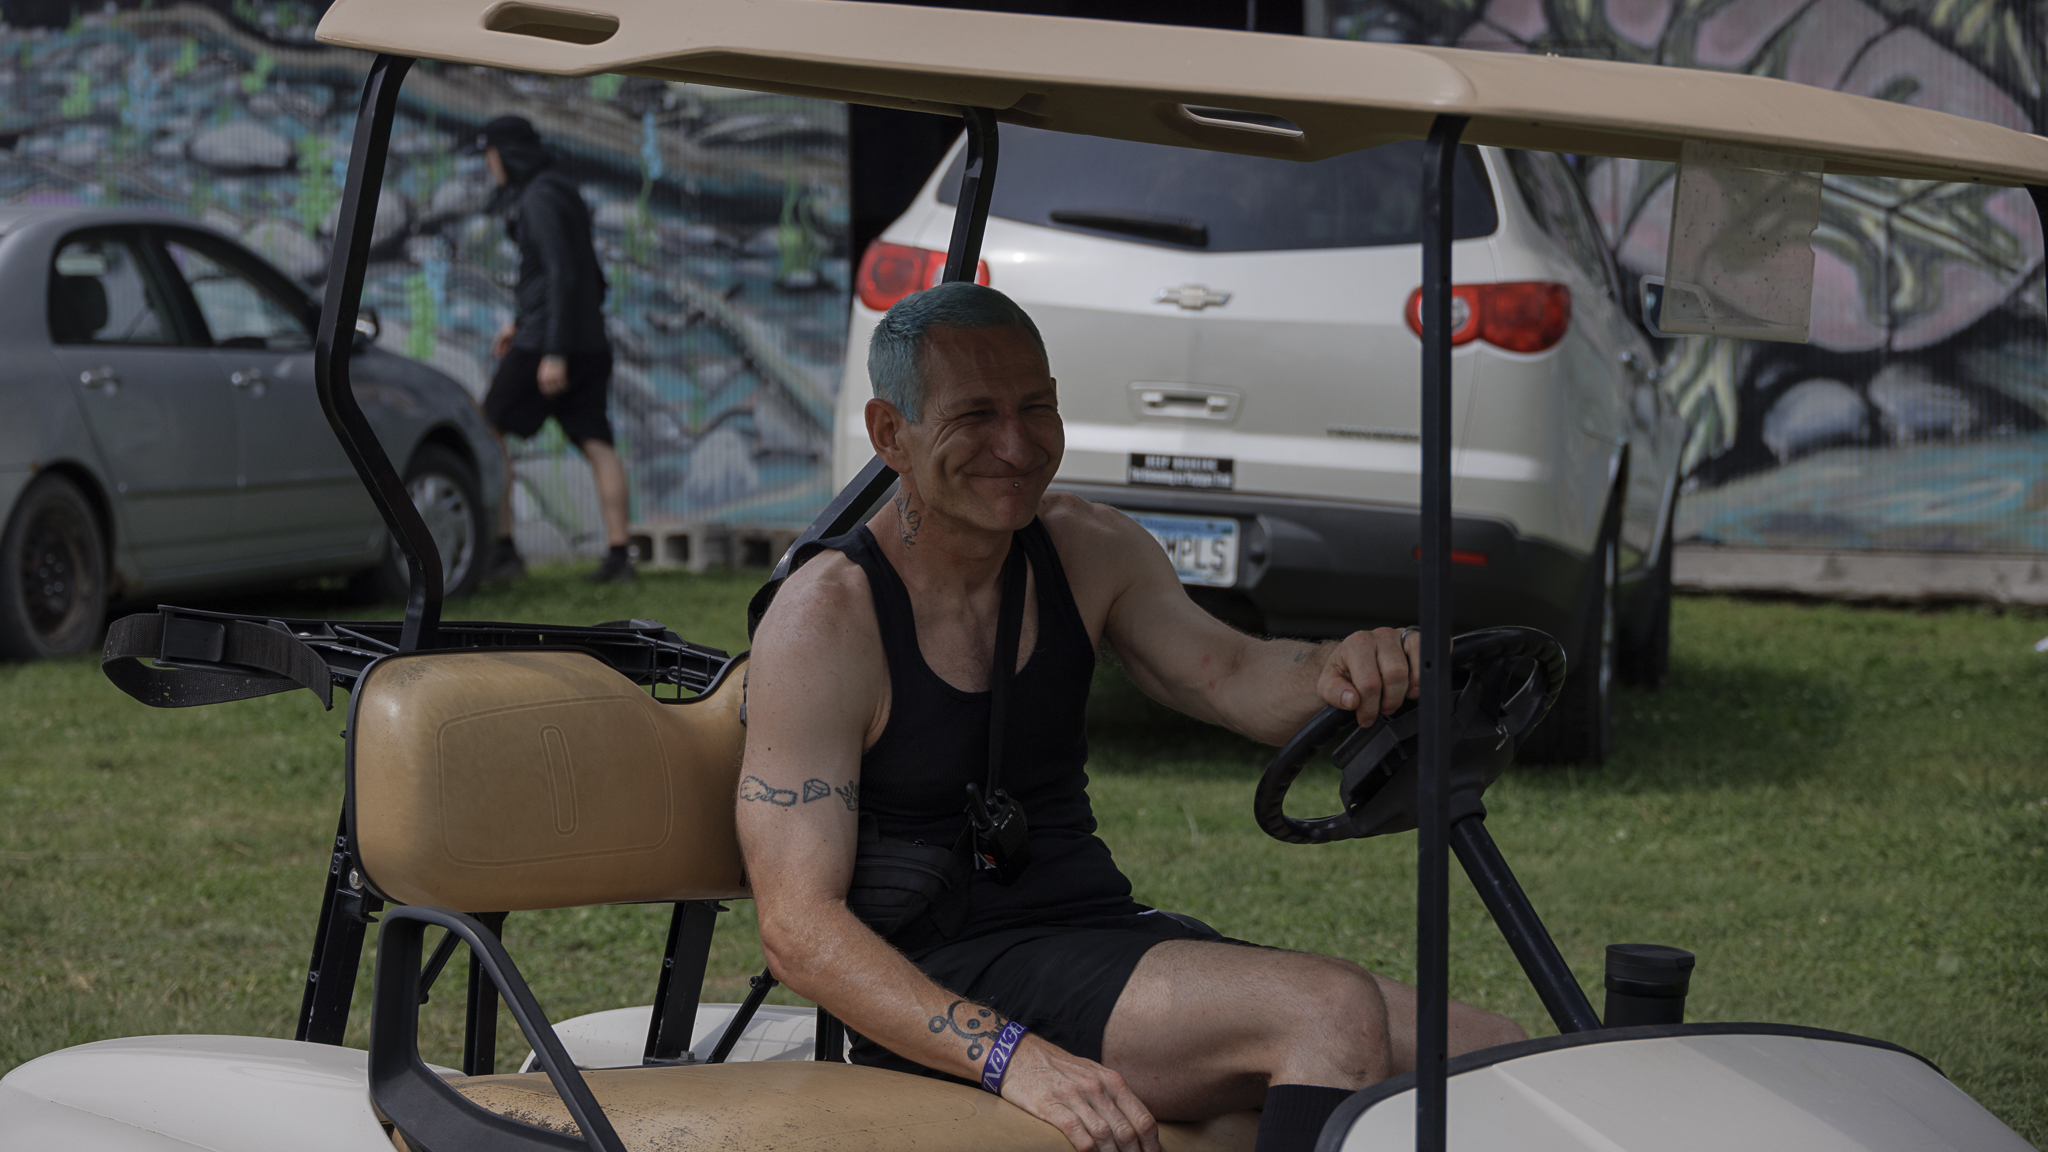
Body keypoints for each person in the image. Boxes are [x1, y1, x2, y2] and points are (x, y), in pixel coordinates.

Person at [738, 282, 1526, 1152]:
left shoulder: (1085, 548)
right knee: (1328, 1011)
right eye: (976, 415)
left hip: (1103, 942)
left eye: (1037, 407)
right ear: (891, 433)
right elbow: (798, 931)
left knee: (1492, 1053)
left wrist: (1342, 667)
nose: (1017, 444)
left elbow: (1232, 675)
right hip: (945, 980)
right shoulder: (826, 620)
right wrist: (1016, 1058)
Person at [473, 115, 635, 584]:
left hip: (548, 345)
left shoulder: (538, 198)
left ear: (505, 153)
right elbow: (586, 277)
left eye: (489, 154)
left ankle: (504, 551)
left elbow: (560, 272)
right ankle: (619, 557)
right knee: (597, 441)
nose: (488, 164)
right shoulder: (562, 190)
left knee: (487, 429)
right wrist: (520, 321)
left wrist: (553, 350)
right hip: (586, 340)